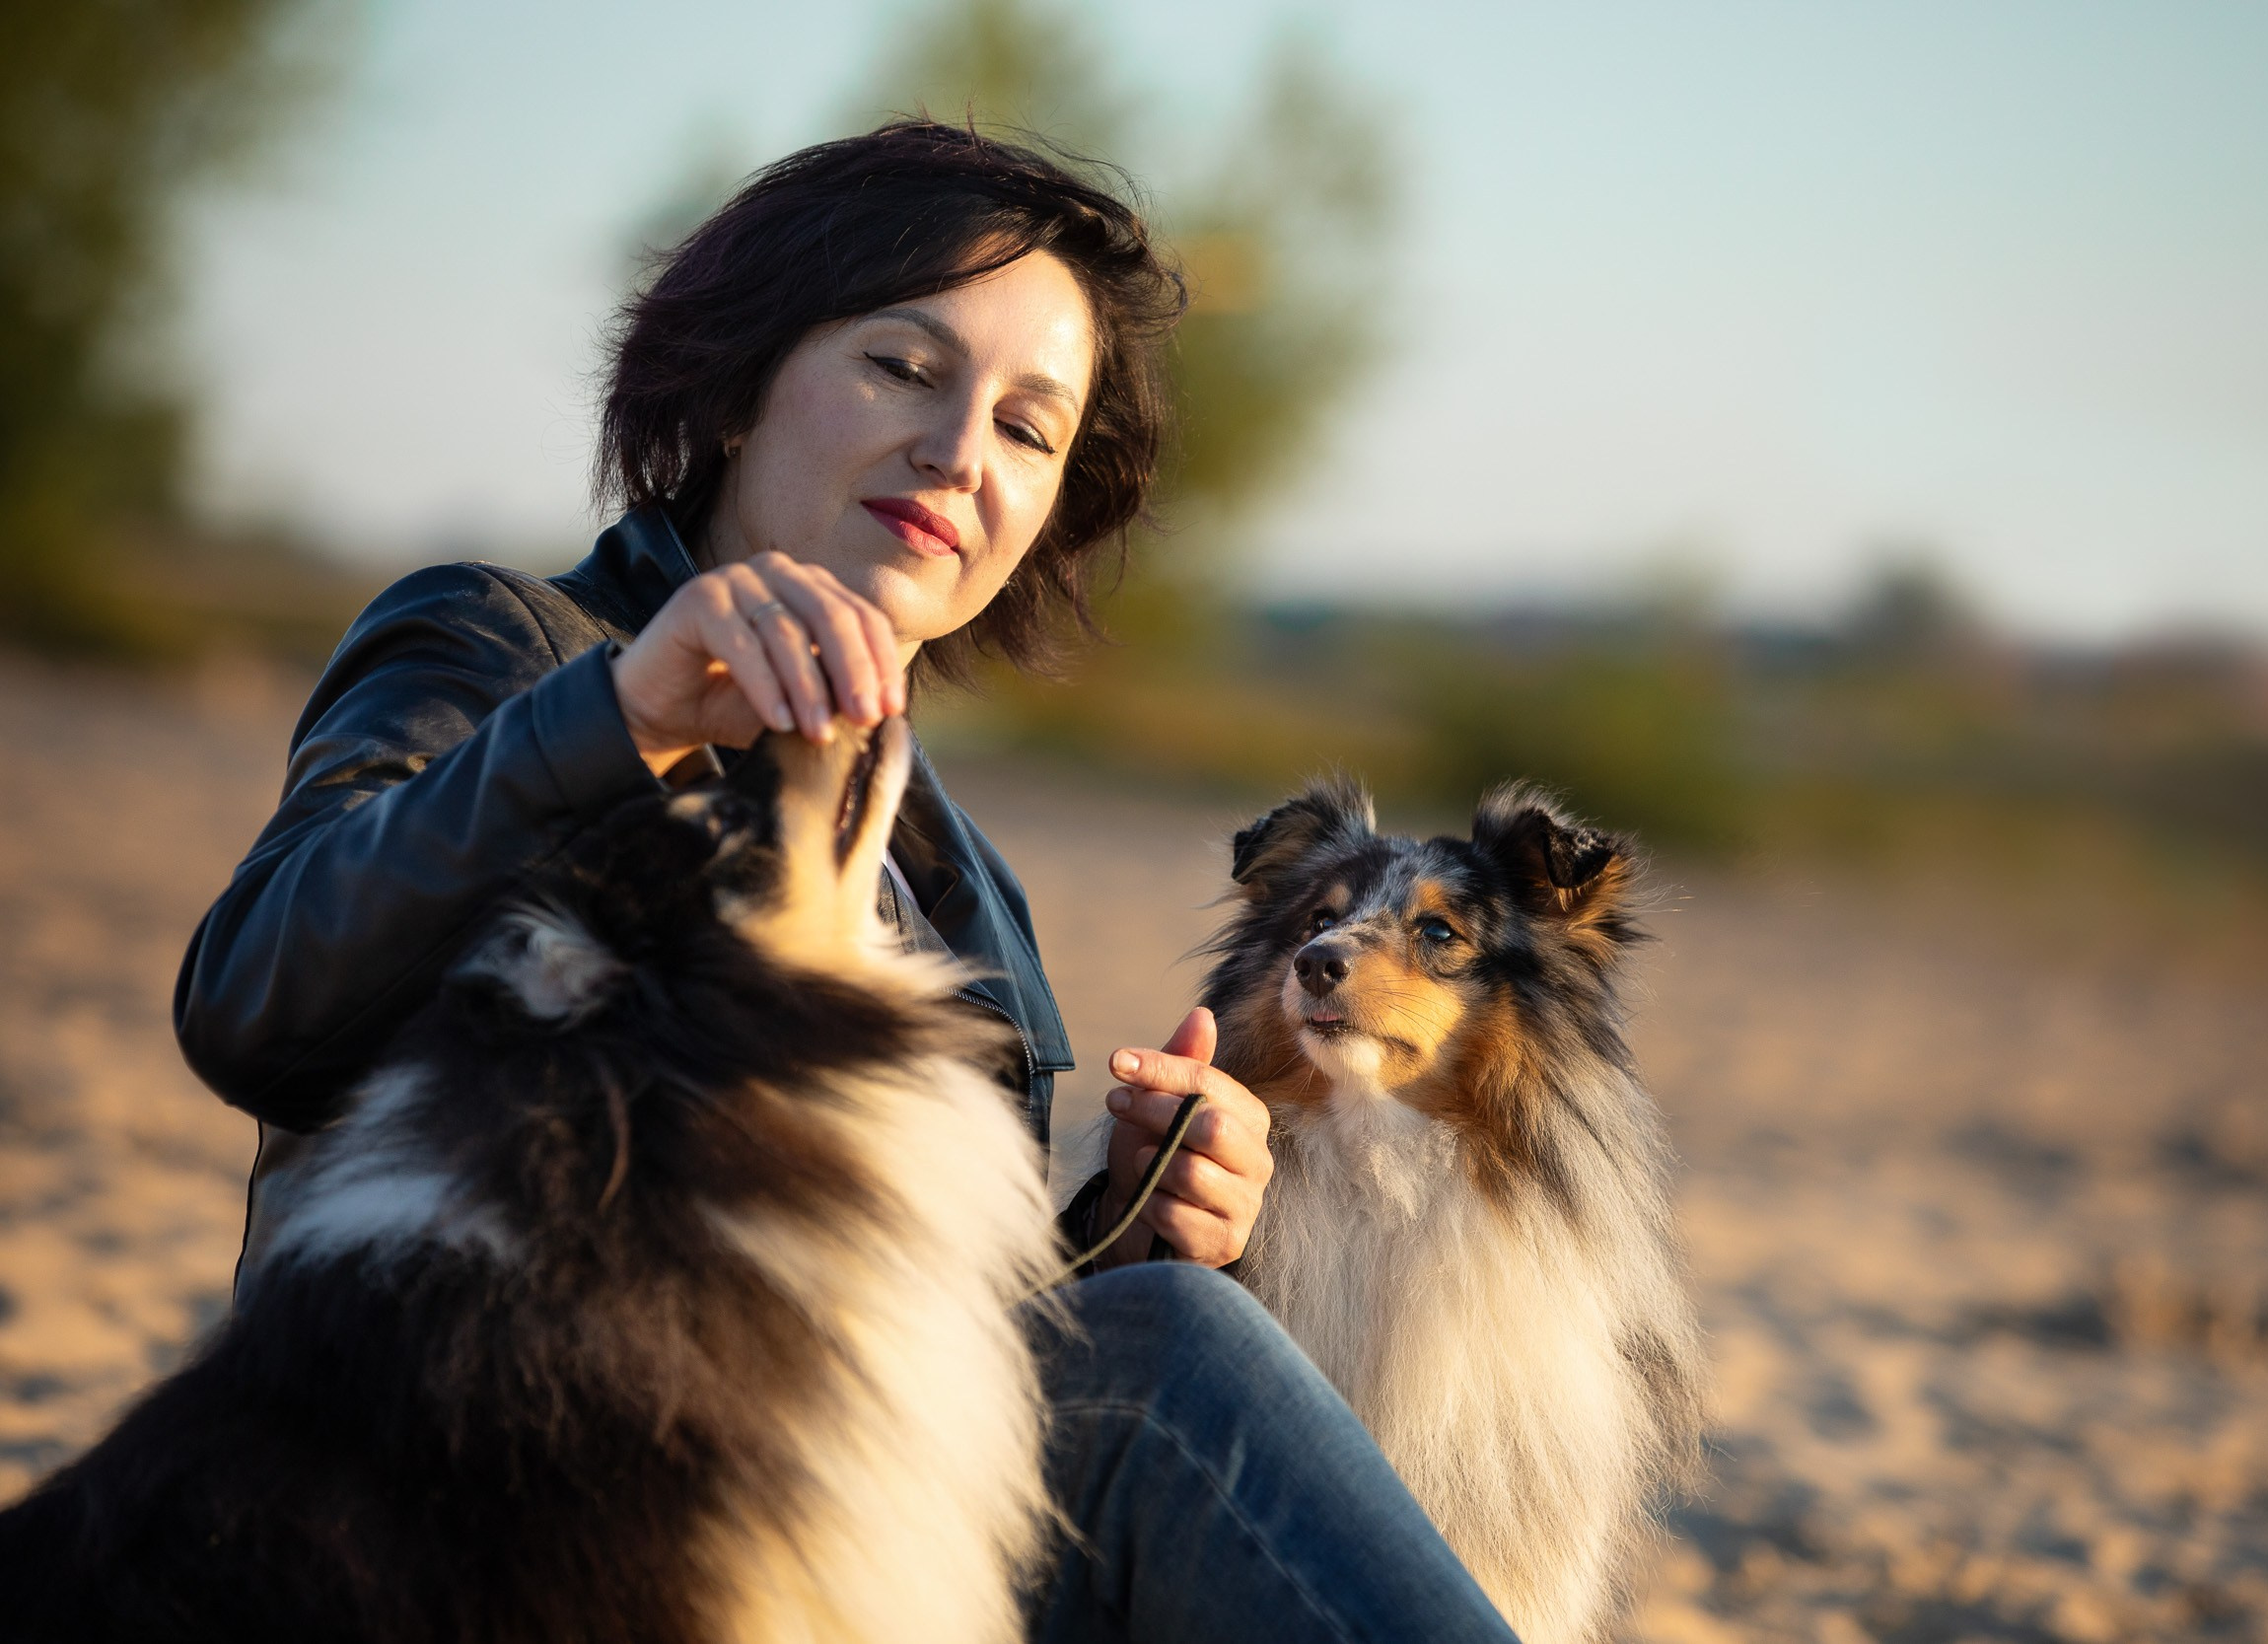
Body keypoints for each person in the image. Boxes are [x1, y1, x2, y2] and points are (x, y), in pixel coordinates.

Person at [174, 121, 1521, 1643]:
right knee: (1163, 1365)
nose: (959, 455)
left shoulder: (956, 875)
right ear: (741, 385)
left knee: (1158, 1322)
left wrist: (1127, 1226)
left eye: (1029, 427)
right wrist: (617, 722)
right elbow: (252, 1006)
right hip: (481, 1519)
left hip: (808, 1538)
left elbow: (901, 1321)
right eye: (903, 366)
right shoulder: (511, 652)